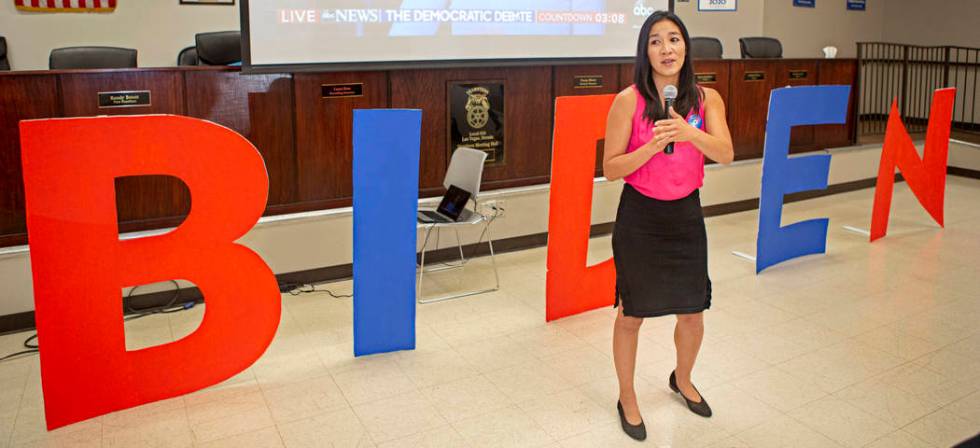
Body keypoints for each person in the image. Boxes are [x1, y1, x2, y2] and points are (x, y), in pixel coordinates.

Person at [602, 10, 734, 441]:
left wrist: (686, 133)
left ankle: (683, 378)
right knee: (631, 315)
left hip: (685, 216)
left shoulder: (706, 99)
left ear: (686, 47)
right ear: (645, 51)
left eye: (674, 39)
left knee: (693, 314)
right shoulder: (627, 101)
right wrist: (653, 146)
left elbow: (726, 153)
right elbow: (611, 169)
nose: (666, 49)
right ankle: (627, 396)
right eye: (655, 41)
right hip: (640, 218)